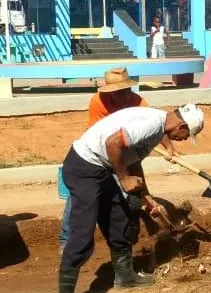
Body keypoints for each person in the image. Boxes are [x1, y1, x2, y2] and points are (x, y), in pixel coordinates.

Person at [55, 103, 204, 293]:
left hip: (102, 168)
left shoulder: (160, 126)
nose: (182, 140)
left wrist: (147, 197)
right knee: (82, 231)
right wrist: (123, 179)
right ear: (181, 125)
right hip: (84, 168)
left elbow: (132, 161)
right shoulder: (150, 125)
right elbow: (113, 143)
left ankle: (124, 276)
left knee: (120, 217)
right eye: (185, 135)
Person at [58, 67, 177, 254]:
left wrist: (169, 147)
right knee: (81, 194)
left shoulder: (138, 102)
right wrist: (121, 175)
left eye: (126, 91)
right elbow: (104, 138)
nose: (123, 95)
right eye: (118, 92)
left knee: (132, 192)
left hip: (127, 151)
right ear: (110, 92)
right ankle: (67, 239)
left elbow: (158, 124)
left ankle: (129, 237)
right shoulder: (98, 102)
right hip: (101, 153)